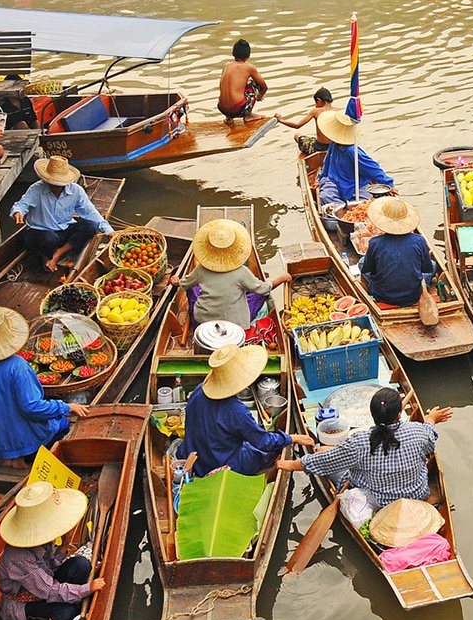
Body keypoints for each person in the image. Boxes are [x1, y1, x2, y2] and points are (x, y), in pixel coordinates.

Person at [0, 306, 90, 462]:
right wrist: (66, 407)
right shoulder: (18, 366)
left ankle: (9, 459)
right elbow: (32, 407)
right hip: (28, 443)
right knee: (63, 423)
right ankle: (21, 460)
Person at [277, 387, 451, 509]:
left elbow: (323, 463)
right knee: (332, 454)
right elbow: (430, 437)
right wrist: (431, 420)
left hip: (380, 502)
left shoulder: (360, 442)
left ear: (373, 415)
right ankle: (329, 449)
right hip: (417, 495)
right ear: (399, 414)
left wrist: (291, 465)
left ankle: (327, 448)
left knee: (326, 456)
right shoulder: (417, 430)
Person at [184, 344, 311, 477]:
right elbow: (263, 442)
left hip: (197, 456)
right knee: (266, 451)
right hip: (220, 463)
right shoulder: (235, 410)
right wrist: (292, 438)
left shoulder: (199, 390)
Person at [0, 481, 104, 620]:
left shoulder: (43, 537)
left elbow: (50, 566)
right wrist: (86, 589)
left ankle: (72, 599)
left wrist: (64, 545)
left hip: (43, 585)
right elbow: (49, 590)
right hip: (25, 602)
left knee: (81, 564)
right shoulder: (20, 558)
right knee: (67, 614)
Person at [168, 218, 285, 328]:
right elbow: (263, 289)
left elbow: (185, 283)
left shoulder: (201, 270)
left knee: (191, 288)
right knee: (260, 293)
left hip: (204, 320)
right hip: (235, 324)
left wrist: (177, 281)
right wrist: (282, 278)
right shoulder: (242, 272)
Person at [11, 156, 113, 272]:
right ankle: (46, 256)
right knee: (49, 239)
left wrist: (108, 230)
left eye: (57, 184)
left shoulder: (76, 191)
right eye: (51, 182)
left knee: (91, 226)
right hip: (40, 232)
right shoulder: (36, 189)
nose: (54, 186)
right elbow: (21, 204)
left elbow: (90, 212)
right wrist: (18, 213)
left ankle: (58, 253)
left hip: (63, 230)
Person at [359, 198, 439, 309]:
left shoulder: (375, 243)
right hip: (414, 294)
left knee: (361, 263)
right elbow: (427, 269)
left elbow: (367, 269)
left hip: (383, 295)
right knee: (433, 265)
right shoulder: (419, 240)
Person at [315, 110, 394, 206]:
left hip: (355, 185)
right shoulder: (334, 144)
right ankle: (343, 209)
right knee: (325, 196)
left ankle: (346, 209)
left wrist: (389, 184)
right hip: (334, 181)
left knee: (365, 203)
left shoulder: (352, 151)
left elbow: (372, 168)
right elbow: (327, 162)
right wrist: (321, 178)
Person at [217, 38, 266, 122]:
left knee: (232, 85)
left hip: (222, 108)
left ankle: (229, 118)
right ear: (248, 55)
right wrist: (259, 96)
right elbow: (264, 86)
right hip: (238, 109)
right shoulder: (249, 67)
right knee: (254, 84)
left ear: (233, 53)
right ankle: (248, 115)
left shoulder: (227, 65)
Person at [276, 86, 337, 154]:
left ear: (318, 100)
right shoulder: (340, 111)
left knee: (297, 135)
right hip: (335, 146)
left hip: (320, 147)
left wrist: (281, 120)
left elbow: (297, 125)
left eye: (316, 103)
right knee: (313, 138)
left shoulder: (316, 111)